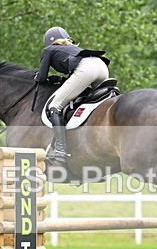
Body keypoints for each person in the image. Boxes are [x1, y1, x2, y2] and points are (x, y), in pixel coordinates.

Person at [35, 26, 110, 164]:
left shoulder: (48, 50)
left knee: (55, 106)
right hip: (101, 65)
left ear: (49, 41)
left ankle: (61, 150)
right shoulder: (72, 49)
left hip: (86, 69)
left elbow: (41, 78)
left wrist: (41, 77)